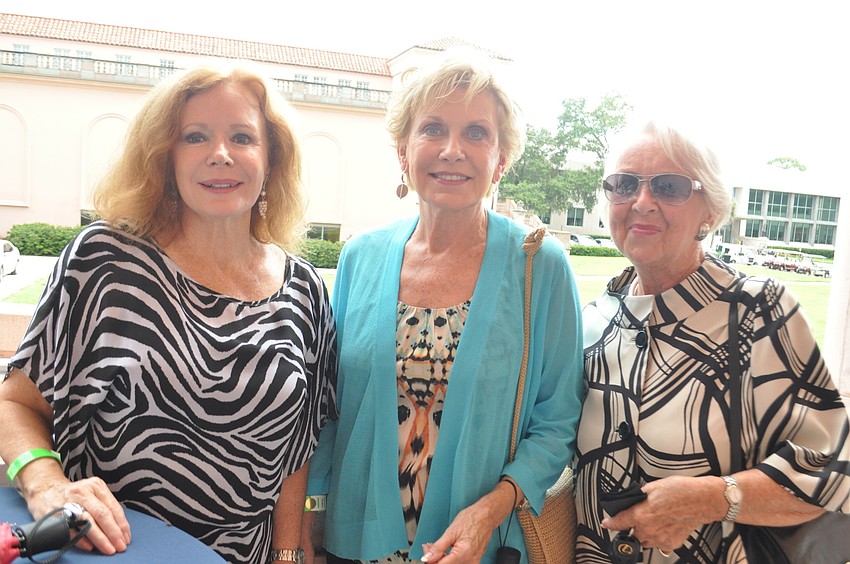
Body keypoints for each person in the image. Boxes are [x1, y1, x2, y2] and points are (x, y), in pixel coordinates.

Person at [0, 63, 338, 564]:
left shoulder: (304, 291)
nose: (220, 154)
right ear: (165, 157)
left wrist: (289, 554)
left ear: (271, 158)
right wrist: (45, 484)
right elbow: (15, 404)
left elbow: (297, 449)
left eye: (242, 137)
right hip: (111, 552)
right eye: (195, 136)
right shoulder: (105, 261)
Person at [306, 49, 585, 563]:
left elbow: (558, 418)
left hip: (481, 544)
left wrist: (491, 511)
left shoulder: (539, 265)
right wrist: (311, 519)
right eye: (432, 128)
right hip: (355, 541)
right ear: (403, 152)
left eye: (476, 133)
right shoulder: (360, 258)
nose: (452, 149)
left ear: (501, 159)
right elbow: (328, 406)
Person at [573, 121, 850, 562]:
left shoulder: (759, 311)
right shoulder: (593, 322)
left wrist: (708, 498)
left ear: (711, 211)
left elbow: (832, 468)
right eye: (624, 184)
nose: (642, 202)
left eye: (670, 187)